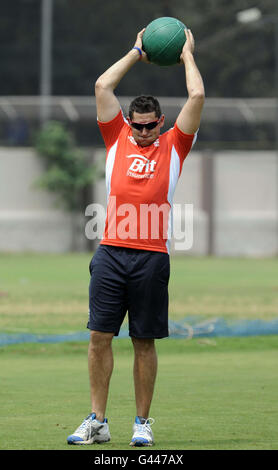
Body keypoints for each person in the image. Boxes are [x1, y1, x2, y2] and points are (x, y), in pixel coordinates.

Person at [67, 27, 204, 447]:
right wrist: (136, 52)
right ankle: (97, 420)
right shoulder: (115, 138)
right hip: (110, 252)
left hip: (150, 257)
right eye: (137, 126)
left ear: (160, 123)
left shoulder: (175, 145)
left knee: (143, 341)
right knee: (98, 337)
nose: (143, 134)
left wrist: (186, 55)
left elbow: (196, 97)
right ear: (128, 122)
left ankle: (141, 423)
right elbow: (102, 85)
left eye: (149, 127)